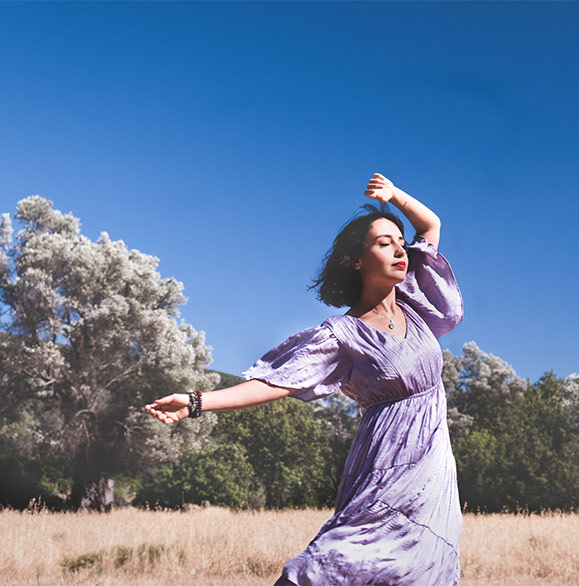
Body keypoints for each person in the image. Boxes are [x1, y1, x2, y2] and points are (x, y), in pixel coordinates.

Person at [144, 172, 464, 586]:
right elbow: (277, 381)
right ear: (357, 260)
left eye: (400, 242)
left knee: (422, 568)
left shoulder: (416, 305)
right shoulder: (341, 333)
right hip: (385, 461)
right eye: (385, 243)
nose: (400, 249)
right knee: (336, 563)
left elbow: (430, 226)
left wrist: (394, 196)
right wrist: (196, 402)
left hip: (434, 465)